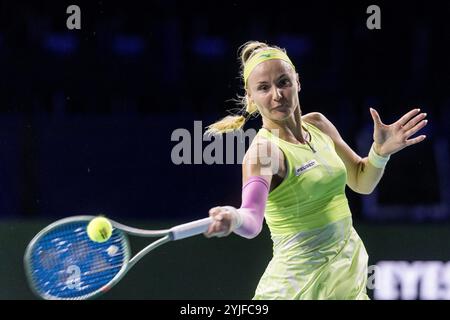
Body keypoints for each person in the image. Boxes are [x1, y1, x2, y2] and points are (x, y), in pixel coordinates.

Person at [203, 41, 428, 299]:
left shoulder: (319, 125)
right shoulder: (263, 152)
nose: (276, 95)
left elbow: (361, 181)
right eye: (263, 88)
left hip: (345, 281)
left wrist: (379, 153)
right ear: (250, 96)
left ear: (297, 82)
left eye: (283, 82)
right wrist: (234, 218)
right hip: (298, 288)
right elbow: (252, 220)